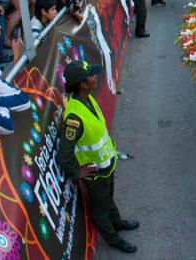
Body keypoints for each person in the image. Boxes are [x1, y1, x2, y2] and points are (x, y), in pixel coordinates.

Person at [56, 61, 138, 253]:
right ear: (83, 84)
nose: (95, 76)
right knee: (100, 210)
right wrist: (78, 172)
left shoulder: (88, 99)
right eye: (91, 75)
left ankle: (117, 223)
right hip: (95, 174)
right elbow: (64, 155)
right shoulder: (74, 118)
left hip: (106, 166)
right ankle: (114, 239)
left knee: (108, 198)